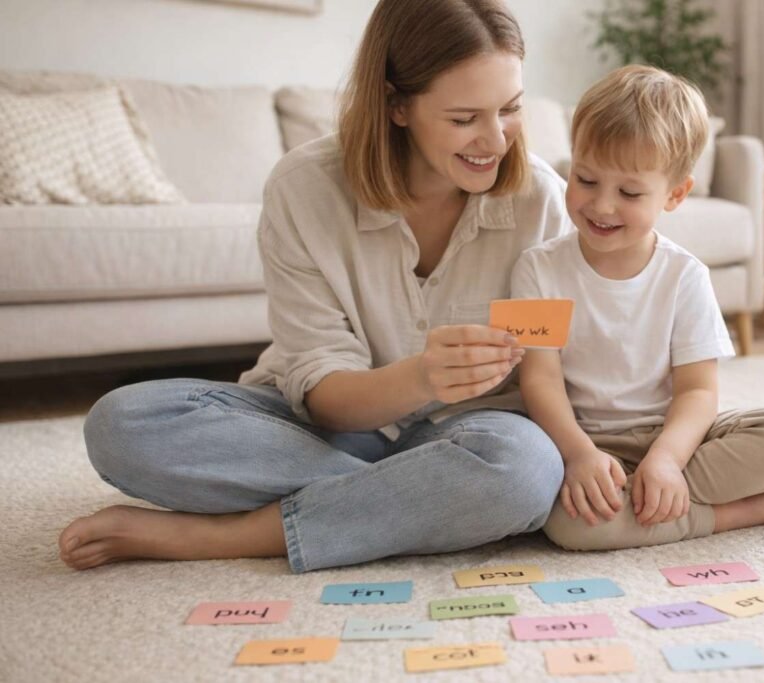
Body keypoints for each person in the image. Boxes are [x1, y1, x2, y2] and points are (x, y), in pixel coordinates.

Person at [57, 0, 573, 573]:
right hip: (324, 430)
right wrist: (422, 378)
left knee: (524, 465)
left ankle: (230, 535)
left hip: (470, 432)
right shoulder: (304, 190)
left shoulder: (541, 201)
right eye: (463, 118)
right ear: (395, 104)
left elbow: (554, 369)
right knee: (121, 424)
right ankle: (427, 500)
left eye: (511, 109)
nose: (496, 140)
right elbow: (324, 390)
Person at [512, 65, 764, 552]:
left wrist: (666, 461)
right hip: (584, 441)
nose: (602, 205)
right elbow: (538, 380)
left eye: (630, 193)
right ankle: (735, 513)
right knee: (570, 525)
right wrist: (579, 456)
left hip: (675, 437)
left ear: (676, 194)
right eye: (586, 178)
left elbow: (698, 391)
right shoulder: (535, 268)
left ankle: (660, 498)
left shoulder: (686, 276)